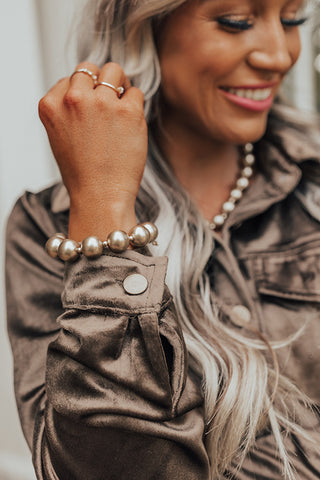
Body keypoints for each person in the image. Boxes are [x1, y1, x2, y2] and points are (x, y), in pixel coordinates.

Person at [5, 0, 320, 478]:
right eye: (236, 21)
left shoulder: (312, 185)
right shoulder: (45, 229)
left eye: (293, 18)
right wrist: (104, 215)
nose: (279, 55)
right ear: (142, 30)